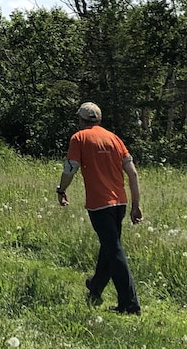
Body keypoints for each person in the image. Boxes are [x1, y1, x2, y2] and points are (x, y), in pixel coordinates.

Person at [57, 101, 143, 315]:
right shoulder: (115, 139)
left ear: (80, 120)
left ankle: (130, 304)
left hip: (99, 205)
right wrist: (136, 205)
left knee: (114, 250)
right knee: (109, 246)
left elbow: (71, 168)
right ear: (100, 120)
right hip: (120, 203)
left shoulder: (79, 138)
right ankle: (96, 286)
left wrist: (61, 189)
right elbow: (132, 173)